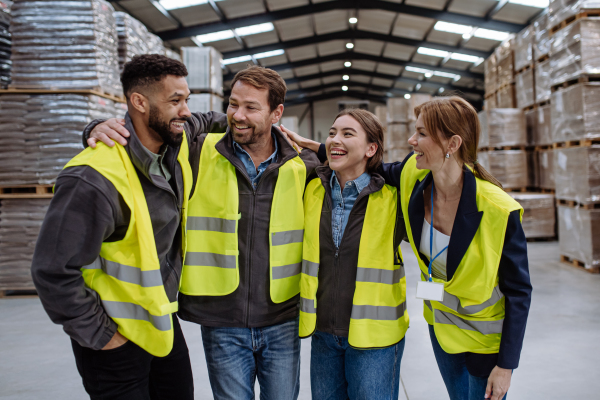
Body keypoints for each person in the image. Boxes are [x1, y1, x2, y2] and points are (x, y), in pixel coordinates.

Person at [86, 65, 327, 400]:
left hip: (282, 318)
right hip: (222, 319)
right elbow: (149, 132)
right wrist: (97, 126)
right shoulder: (198, 150)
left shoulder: (304, 166)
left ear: (277, 113)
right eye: (233, 104)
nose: (238, 115)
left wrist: (324, 149)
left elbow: (366, 174)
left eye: (251, 108)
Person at [284, 96, 532, 400]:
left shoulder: (498, 209)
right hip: (441, 330)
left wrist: (506, 365)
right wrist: (315, 146)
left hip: (482, 341)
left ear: (452, 143)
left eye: (422, 134)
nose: (412, 140)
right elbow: (361, 163)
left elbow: (519, 291)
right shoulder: (414, 180)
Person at [31, 54, 227, 399]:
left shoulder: (176, 141)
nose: (185, 111)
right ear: (139, 102)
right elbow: (52, 271)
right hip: (113, 338)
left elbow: (219, 120)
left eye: (187, 100)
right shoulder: (93, 177)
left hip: (161, 324)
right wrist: (103, 337)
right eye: (175, 101)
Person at [284, 109, 409, 399]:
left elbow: (419, 168)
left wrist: (322, 149)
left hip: (375, 339)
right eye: (331, 133)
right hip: (324, 334)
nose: (334, 139)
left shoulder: (392, 197)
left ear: (371, 148)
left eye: (347, 134)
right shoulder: (312, 188)